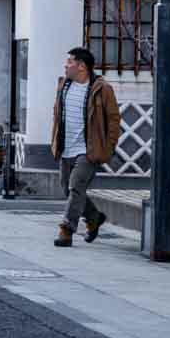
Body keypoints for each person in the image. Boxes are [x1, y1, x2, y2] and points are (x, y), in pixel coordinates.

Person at [51, 46, 121, 247]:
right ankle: (94, 217)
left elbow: (114, 120)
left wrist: (107, 148)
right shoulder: (64, 85)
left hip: (89, 151)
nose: (66, 65)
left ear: (82, 66)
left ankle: (66, 229)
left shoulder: (102, 89)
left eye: (70, 61)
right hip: (66, 148)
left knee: (75, 187)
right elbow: (57, 115)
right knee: (68, 188)